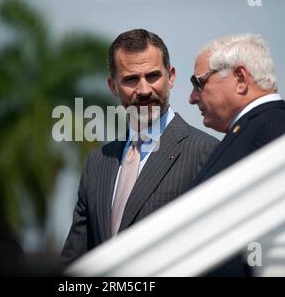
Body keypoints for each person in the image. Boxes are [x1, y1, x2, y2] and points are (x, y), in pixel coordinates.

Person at [61, 29, 219, 266]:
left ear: (171, 76)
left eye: (153, 76)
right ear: (113, 86)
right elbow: (75, 262)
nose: (144, 90)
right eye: (131, 79)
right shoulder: (97, 163)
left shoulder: (206, 153)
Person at [188, 33, 285, 276]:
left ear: (240, 78)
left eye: (199, 83)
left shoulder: (274, 131)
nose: (192, 98)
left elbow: (282, 247)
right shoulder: (256, 129)